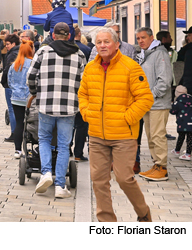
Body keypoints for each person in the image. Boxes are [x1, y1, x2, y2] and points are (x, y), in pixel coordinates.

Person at [78, 27, 153, 222]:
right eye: (99, 42)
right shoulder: (90, 68)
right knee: (98, 180)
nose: (102, 45)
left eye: (106, 42)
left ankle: (143, 213)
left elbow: (145, 98)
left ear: (116, 44)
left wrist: (127, 118)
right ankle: (106, 222)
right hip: (96, 135)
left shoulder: (131, 67)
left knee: (124, 178)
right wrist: (87, 113)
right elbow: (82, 94)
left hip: (123, 136)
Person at [28, 22, 86, 198]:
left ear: (53, 35)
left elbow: (31, 75)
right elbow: (85, 82)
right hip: (69, 107)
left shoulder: (43, 52)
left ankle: (46, 173)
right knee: (63, 145)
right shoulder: (79, 54)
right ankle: (60, 185)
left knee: (44, 139)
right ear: (69, 36)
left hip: (46, 104)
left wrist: (34, 92)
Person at [135, 27, 173, 182]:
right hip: (148, 103)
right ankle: (156, 165)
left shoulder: (160, 53)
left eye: (143, 37)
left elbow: (165, 81)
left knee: (158, 135)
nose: (140, 41)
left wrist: (150, 95)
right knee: (151, 136)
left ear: (151, 38)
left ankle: (162, 168)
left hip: (158, 103)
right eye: (138, 38)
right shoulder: (145, 54)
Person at [8, 40, 34, 158]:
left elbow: (9, 81)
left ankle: (17, 150)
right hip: (30, 99)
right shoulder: (33, 64)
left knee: (19, 123)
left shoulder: (14, 65)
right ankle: (32, 146)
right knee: (32, 122)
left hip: (16, 98)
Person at [72, 26, 91, 162]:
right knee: (82, 124)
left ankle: (66, 148)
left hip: (67, 93)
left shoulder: (64, 50)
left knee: (67, 123)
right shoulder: (86, 50)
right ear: (79, 34)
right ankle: (78, 153)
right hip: (82, 92)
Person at [1, 33, 21, 141]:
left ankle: (14, 133)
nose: (6, 46)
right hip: (18, 85)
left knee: (12, 109)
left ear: (14, 43)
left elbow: (7, 70)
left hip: (10, 85)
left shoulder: (13, 54)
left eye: (8, 44)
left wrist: (3, 81)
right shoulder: (20, 51)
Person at [171, 85, 192, 160]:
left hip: (182, 123)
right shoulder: (190, 99)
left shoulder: (178, 101)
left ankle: (177, 150)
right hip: (191, 123)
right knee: (190, 139)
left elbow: (172, 111)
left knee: (181, 137)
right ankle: (188, 153)